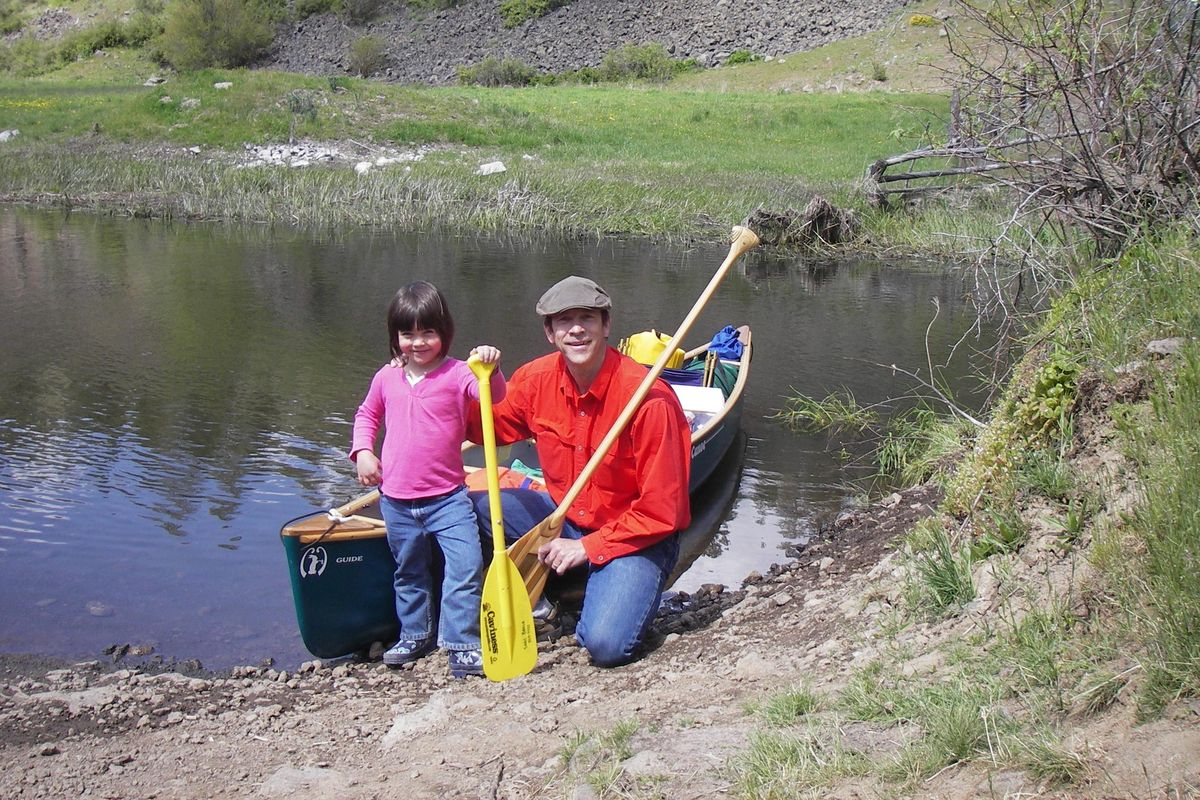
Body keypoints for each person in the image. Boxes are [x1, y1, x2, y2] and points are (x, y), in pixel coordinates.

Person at [467, 275, 691, 667]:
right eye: (563, 321)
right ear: (550, 333)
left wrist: (587, 549)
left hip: (636, 537)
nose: (576, 329)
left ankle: (588, 588)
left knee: (606, 645)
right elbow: (491, 426)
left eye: (586, 318)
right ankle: (547, 590)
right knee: (476, 507)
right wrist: (446, 381)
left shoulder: (649, 399)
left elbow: (664, 511)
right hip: (566, 518)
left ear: (606, 326)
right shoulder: (535, 379)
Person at [350, 281, 505, 678]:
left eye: (427, 333)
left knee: (465, 567)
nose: (418, 343)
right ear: (396, 337)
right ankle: (415, 634)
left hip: (448, 499)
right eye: (408, 334)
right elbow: (367, 416)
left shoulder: (459, 374)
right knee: (409, 571)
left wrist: (490, 366)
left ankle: (462, 641)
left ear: (444, 332)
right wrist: (363, 451)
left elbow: (494, 396)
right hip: (396, 500)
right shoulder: (387, 377)